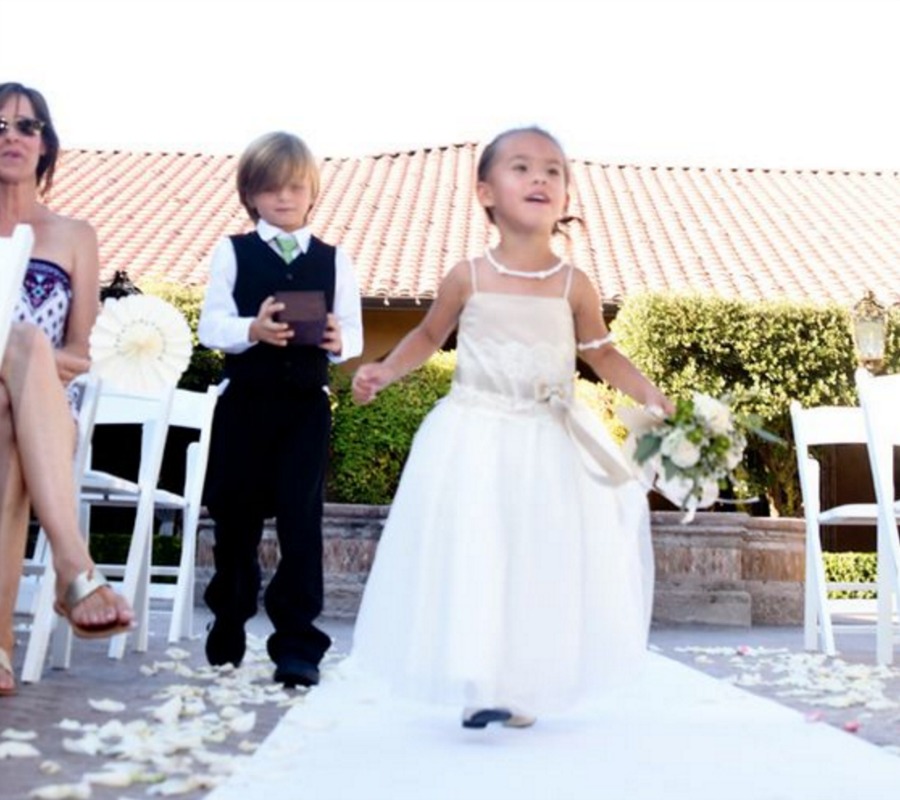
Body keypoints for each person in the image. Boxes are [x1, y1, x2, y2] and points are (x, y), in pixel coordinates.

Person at [350, 126, 674, 728]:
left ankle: (526, 681)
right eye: (521, 168)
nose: (540, 179)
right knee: (479, 549)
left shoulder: (574, 284)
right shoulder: (467, 276)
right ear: (486, 193)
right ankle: (482, 677)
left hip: (549, 438)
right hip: (475, 432)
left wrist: (653, 395)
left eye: (553, 170)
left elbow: (602, 353)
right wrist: (383, 370)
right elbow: (425, 336)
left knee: (539, 554)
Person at [198, 131, 363, 688]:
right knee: (236, 518)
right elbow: (211, 326)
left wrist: (340, 338)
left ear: (312, 192)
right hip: (243, 404)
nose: (284, 198)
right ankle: (229, 614)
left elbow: (355, 335)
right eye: (271, 189)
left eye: (295, 187)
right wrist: (253, 329)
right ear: (251, 194)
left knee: (301, 520)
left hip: (304, 409)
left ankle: (297, 644)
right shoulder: (232, 251)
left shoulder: (335, 260)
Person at [0, 82, 134, 696]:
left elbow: (81, 351)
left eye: (27, 126)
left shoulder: (74, 234)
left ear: (45, 144)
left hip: (48, 403)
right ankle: (72, 567)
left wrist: (24, 368)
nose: (11, 136)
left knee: (23, 360)